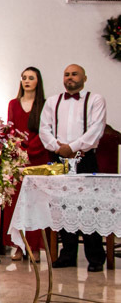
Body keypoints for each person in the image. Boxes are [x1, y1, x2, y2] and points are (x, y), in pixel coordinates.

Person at [39, 63, 107, 272]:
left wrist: (73, 147)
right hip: (59, 159)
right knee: (62, 206)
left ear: (84, 78)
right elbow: (45, 129)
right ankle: (67, 254)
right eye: (66, 74)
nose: (70, 77)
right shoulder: (53, 101)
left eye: (74, 74)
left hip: (85, 158)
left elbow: (96, 129)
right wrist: (59, 148)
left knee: (88, 206)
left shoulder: (95, 100)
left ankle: (95, 257)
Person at [3, 67, 48, 262]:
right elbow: (11, 129)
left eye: (31, 78)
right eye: (24, 78)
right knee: (16, 203)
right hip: (17, 158)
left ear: (38, 82)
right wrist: (17, 150)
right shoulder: (13, 103)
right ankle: (18, 245)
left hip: (38, 157)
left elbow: (45, 132)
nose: (27, 81)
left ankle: (34, 246)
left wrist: (30, 149)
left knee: (35, 203)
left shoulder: (45, 105)